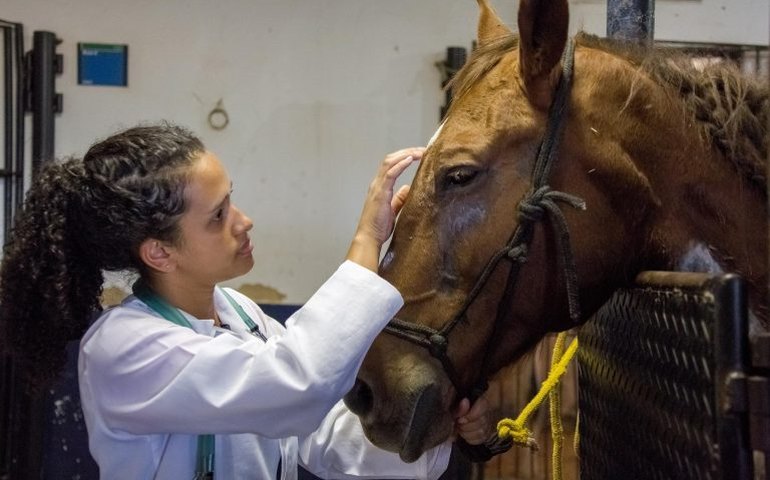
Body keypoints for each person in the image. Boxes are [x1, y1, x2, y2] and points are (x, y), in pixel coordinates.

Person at [0, 123, 494, 479]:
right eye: (218, 216)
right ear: (160, 252)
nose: (243, 221)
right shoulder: (124, 348)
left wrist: (434, 431)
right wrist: (367, 239)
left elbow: (325, 438)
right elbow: (298, 384)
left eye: (231, 199)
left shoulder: (242, 316)